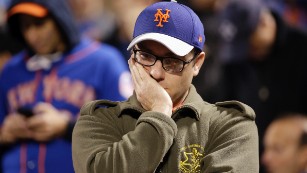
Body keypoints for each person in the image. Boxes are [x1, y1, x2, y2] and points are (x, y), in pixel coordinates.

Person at [72, 1, 259, 172]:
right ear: (132, 58)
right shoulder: (99, 121)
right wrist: (159, 112)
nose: (155, 73)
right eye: (145, 56)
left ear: (197, 63)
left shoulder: (230, 126)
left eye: (172, 61)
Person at [0, 0, 133, 172]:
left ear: (59, 18)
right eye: (25, 27)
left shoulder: (103, 61)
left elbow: (128, 128)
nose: (32, 35)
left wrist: (67, 126)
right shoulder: (11, 70)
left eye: (39, 24)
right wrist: (5, 133)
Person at [207, 0, 307, 171]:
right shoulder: (235, 59)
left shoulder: (301, 48)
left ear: (264, 23)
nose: (245, 51)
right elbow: (221, 104)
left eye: (248, 42)